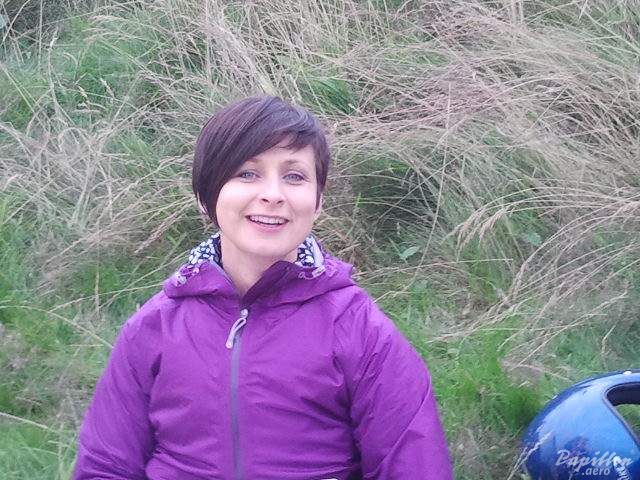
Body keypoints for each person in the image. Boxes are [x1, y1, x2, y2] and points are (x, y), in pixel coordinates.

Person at [72, 96, 453, 479]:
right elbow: (106, 466)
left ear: (318, 201)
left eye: (294, 176)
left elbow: (414, 466)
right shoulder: (153, 328)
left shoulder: (360, 330)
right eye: (247, 173)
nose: (273, 194)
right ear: (206, 196)